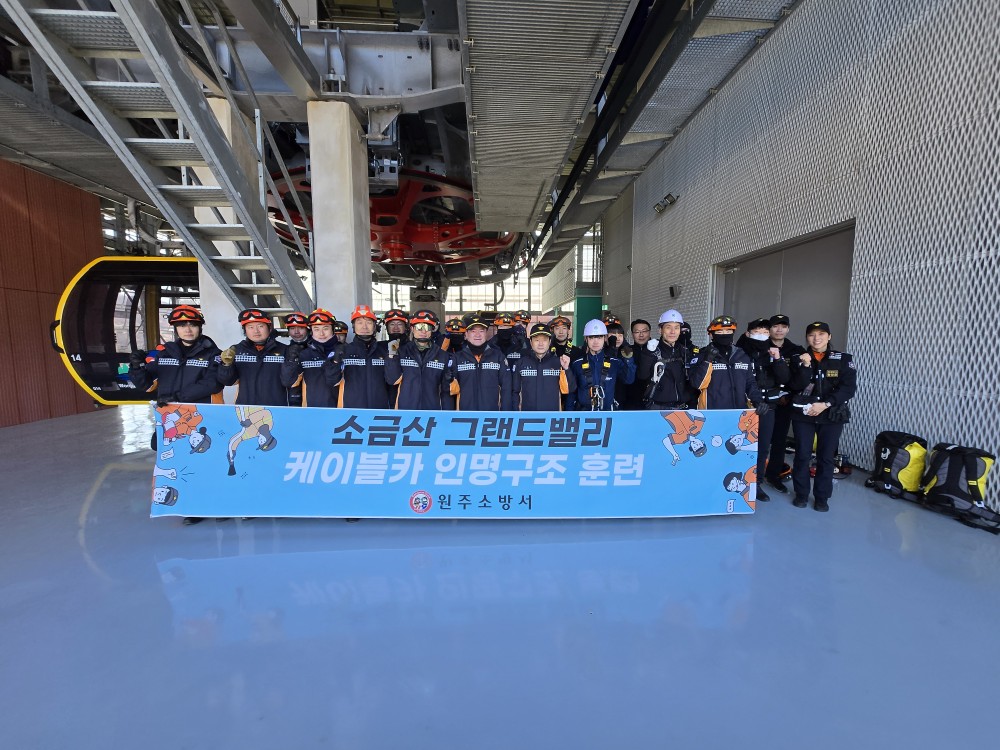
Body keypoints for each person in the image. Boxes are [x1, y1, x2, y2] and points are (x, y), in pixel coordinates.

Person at [786, 321, 857, 512]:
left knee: (826, 457)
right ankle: (801, 494)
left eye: (821, 334)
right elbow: (794, 385)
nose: (816, 338)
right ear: (807, 337)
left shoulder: (843, 359)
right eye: (812, 335)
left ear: (829, 337)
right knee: (802, 455)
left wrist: (825, 404)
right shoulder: (798, 358)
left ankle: (822, 497)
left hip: (831, 414)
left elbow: (848, 388)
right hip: (804, 415)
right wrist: (805, 365)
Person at [737, 318, 792, 502]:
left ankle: (756, 483)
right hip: (741, 407)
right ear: (748, 333)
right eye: (757, 332)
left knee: (761, 448)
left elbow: (784, 378)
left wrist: (777, 359)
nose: (761, 335)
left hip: (766, 407)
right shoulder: (739, 352)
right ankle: (737, 479)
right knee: (738, 445)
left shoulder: (773, 352)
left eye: (764, 332)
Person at [129, 304, 223, 406]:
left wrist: (177, 397)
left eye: (193, 325)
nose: (188, 330)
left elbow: (212, 384)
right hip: (169, 412)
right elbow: (146, 386)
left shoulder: (213, 354)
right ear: (176, 329)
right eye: (182, 326)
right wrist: (137, 367)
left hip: (204, 412)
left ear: (200, 328)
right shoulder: (165, 354)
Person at [763, 314, 807, 494]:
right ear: (769, 329)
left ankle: (774, 476)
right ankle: (754, 477)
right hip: (763, 402)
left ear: (788, 329)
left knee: (779, 441)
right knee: (760, 441)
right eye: (775, 326)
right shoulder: (760, 347)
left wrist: (788, 394)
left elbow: (800, 378)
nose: (779, 329)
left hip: (785, 402)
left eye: (783, 326)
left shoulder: (795, 350)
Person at [688, 315, 766, 412]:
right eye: (720, 332)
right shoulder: (701, 355)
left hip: (739, 413)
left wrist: (758, 400)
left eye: (728, 331)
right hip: (712, 414)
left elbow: (750, 383)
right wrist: (707, 360)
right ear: (711, 334)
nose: (725, 335)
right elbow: (697, 384)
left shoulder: (741, 355)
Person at [325, 304, 393, 409]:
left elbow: (392, 380)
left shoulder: (384, 351)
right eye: (359, 322)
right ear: (353, 326)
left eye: (369, 322)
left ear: (374, 326)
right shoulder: (343, 351)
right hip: (350, 410)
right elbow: (331, 381)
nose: (364, 327)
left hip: (379, 410)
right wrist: (335, 362)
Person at [217, 308, 289, 406]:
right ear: (245, 330)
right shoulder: (236, 350)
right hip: (246, 408)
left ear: (269, 328)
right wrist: (226, 365)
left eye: (260, 326)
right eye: (250, 327)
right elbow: (228, 381)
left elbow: (290, 381)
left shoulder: (284, 350)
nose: (256, 331)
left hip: (276, 408)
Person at [386, 309, 454, 409]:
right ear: (412, 329)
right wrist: (391, 357)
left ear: (432, 330)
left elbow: (447, 391)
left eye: (427, 327)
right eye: (419, 327)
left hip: (433, 411)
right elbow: (392, 380)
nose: (423, 331)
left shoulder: (443, 356)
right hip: (406, 411)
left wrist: (446, 414)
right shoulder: (401, 352)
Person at [566, 319, 636, 411]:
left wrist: (628, 360)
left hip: (608, 414)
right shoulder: (577, 364)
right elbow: (571, 393)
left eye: (599, 337)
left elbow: (628, 380)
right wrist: (569, 414)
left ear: (605, 338)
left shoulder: (615, 362)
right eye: (591, 338)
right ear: (586, 339)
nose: (595, 342)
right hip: (584, 414)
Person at [448, 314, 512, 410]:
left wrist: (505, 414)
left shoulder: (498, 357)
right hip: (465, 416)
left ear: (486, 333)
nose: (477, 335)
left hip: (492, 416)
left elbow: (506, 388)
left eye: (481, 331)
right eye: (473, 331)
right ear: (466, 334)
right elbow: (449, 391)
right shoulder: (457, 358)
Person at [280, 309, 341, 407]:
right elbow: (288, 382)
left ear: (333, 329)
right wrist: (291, 361)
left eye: (325, 328)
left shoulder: (346, 351)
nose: (321, 333)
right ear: (311, 331)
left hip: (343, 410)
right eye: (316, 329)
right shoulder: (304, 354)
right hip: (311, 410)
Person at [644, 309, 699, 410]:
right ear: (660, 330)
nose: (673, 332)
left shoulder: (685, 351)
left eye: (676, 328)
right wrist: (648, 354)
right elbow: (642, 375)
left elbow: (694, 380)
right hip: (658, 407)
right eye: (668, 327)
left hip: (683, 407)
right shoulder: (653, 350)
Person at [511, 323, 574, 410]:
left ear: (549, 342)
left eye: (544, 340)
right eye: (536, 340)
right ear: (531, 342)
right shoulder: (521, 363)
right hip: (527, 417)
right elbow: (515, 392)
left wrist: (566, 369)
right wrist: (516, 414)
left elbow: (570, 389)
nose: (540, 344)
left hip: (552, 417)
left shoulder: (558, 363)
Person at [625, 317, 655, 410]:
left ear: (649, 332)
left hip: (654, 400)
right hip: (631, 400)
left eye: (644, 331)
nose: (641, 335)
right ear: (632, 334)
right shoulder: (626, 351)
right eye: (637, 332)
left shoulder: (658, 350)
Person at [282, 312, 310, 406]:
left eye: (301, 328)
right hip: (291, 401)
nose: (296, 332)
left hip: (314, 399)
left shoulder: (316, 349)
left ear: (308, 329)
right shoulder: (283, 350)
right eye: (292, 328)